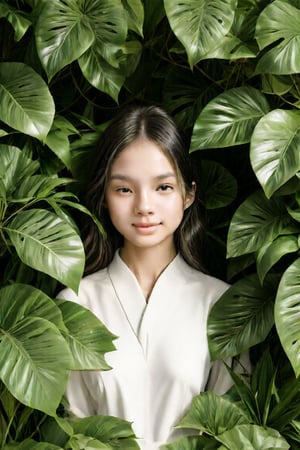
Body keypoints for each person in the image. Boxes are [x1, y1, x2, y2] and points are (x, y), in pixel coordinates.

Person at [58, 105, 247, 449]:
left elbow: (232, 430)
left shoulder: (221, 304)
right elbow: (70, 428)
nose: (144, 205)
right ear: (104, 195)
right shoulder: (76, 303)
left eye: (162, 187)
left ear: (188, 193)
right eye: (124, 189)